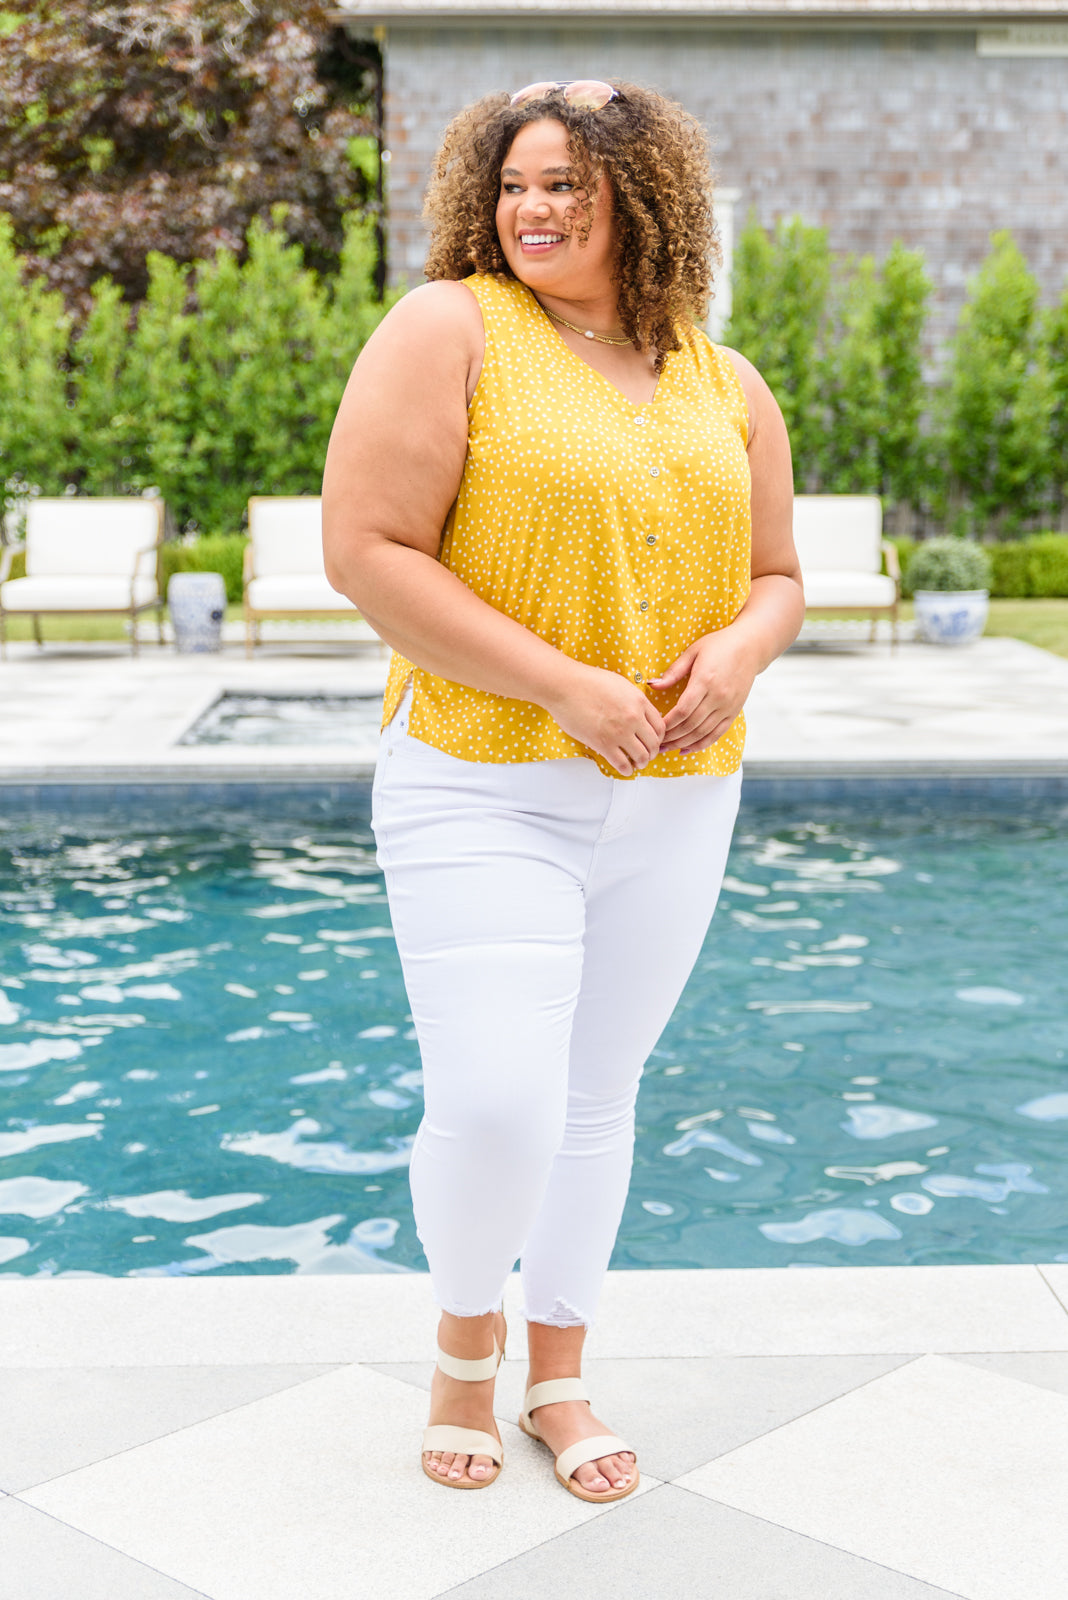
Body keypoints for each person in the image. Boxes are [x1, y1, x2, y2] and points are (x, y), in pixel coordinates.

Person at [322, 78, 802, 1502]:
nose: (531, 209)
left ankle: (560, 1375)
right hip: (480, 777)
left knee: (598, 1097)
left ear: (642, 201)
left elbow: (778, 578)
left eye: (565, 186)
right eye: (515, 183)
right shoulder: (450, 328)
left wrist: (741, 653)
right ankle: (462, 1353)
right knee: (497, 1101)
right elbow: (368, 551)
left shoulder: (726, 380)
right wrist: (563, 684)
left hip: (678, 789)